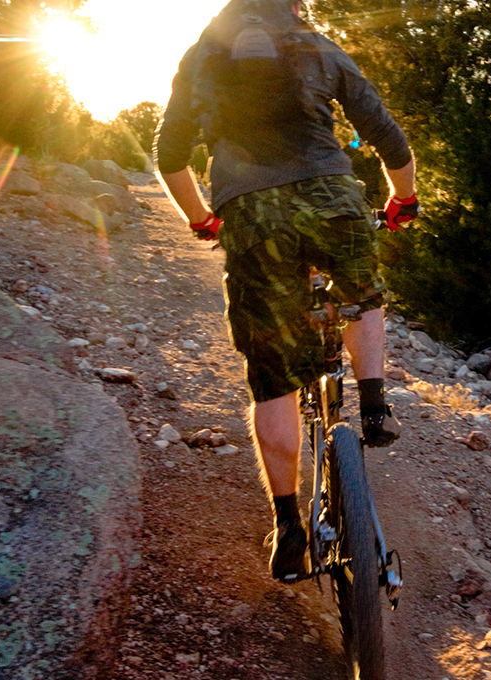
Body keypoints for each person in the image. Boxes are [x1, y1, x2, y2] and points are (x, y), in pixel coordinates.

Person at [154, 0, 419, 582]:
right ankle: (373, 406)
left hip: (250, 213)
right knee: (363, 295)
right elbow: (384, 133)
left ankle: (289, 528)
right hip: (334, 198)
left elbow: (169, 155)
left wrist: (201, 218)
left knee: (271, 372)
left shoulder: (201, 56)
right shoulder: (318, 46)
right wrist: (404, 197)